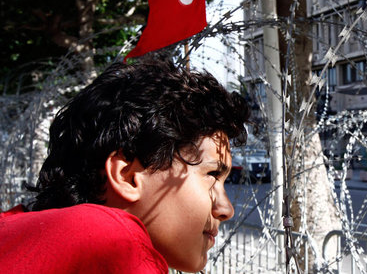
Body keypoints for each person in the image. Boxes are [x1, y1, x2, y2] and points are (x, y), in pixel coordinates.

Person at [0, 59, 250, 273]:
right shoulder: (110, 241)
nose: (226, 209)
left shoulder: (18, 231)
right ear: (127, 176)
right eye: (212, 174)